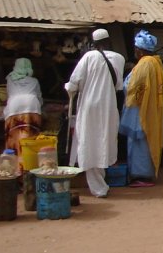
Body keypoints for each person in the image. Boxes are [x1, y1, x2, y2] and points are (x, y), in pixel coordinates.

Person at [65, 29, 125, 198]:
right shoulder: (119, 59)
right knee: (103, 142)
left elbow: (74, 83)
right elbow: (119, 86)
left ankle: (98, 188)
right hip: (108, 106)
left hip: (89, 106)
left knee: (89, 142)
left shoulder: (89, 57)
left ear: (94, 43)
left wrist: (68, 90)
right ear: (109, 41)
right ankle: (101, 184)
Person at [118, 30, 163, 187]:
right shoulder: (155, 63)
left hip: (141, 110)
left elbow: (133, 87)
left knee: (140, 143)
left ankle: (141, 175)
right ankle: (145, 173)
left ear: (140, 50)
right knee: (148, 140)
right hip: (151, 108)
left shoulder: (144, 64)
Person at [3, 58, 43, 170]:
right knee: (30, 139)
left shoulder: (10, 79)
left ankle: (14, 169)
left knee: (14, 140)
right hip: (32, 106)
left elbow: (8, 95)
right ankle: (29, 168)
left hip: (14, 108)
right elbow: (39, 98)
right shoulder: (34, 81)